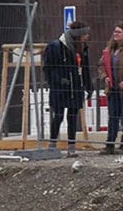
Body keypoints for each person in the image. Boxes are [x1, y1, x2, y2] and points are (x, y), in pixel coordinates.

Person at [42, 19, 94, 151]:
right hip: (60, 87)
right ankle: (52, 143)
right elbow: (48, 68)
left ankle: (71, 145)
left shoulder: (83, 49)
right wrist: (58, 79)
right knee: (58, 115)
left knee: (72, 116)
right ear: (78, 35)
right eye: (85, 34)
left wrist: (89, 86)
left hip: (76, 87)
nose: (87, 37)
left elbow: (85, 68)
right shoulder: (56, 47)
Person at [103, 27, 123, 154]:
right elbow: (101, 65)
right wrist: (105, 76)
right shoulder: (109, 50)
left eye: (119, 32)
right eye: (114, 31)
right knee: (113, 116)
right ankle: (110, 143)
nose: (115, 34)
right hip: (113, 89)